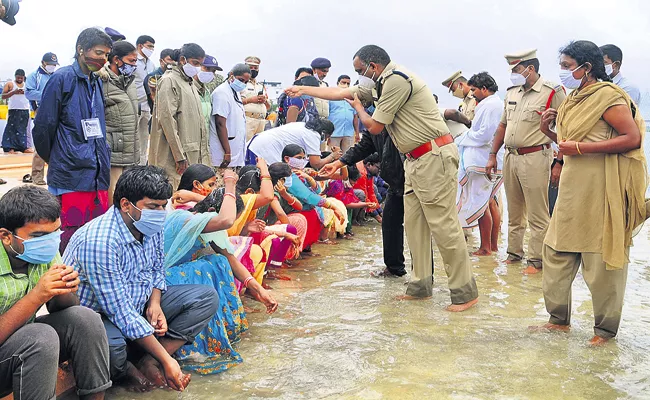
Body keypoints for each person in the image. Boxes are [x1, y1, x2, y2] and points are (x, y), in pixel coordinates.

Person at [287, 45, 478, 310]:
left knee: (443, 226)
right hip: (414, 161)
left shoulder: (397, 80)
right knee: (414, 225)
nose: (358, 77)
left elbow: (374, 125)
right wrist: (304, 89)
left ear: (373, 67)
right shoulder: (379, 84)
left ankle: (464, 293)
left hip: (433, 157)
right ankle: (420, 286)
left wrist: (358, 109)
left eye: (359, 70)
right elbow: (340, 92)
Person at [63, 166, 218, 392]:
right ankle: (128, 369)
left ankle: (149, 360)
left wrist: (155, 304)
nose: (161, 212)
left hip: (138, 302)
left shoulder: (150, 225)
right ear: (126, 204)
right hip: (98, 315)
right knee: (113, 352)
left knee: (205, 298)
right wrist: (168, 360)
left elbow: (156, 268)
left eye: (164, 206)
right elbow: (119, 311)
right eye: (153, 207)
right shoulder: (100, 241)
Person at [536, 40, 648, 345]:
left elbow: (633, 138)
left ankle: (604, 332)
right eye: (561, 65)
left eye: (567, 66)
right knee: (556, 251)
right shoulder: (574, 99)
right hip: (572, 187)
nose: (562, 71)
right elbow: (570, 141)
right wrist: (550, 132)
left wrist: (581, 148)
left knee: (600, 261)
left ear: (587, 68)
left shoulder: (609, 98)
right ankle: (558, 321)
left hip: (601, 189)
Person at [0, 186, 112, 400]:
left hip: (21, 346)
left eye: (55, 232)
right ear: (6, 236)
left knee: (85, 318)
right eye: (40, 235)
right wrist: (36, 297)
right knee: (40, 336)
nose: (50, 242)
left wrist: (65, 288)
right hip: (13, 351)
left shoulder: (43, 252)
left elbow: (62, 307)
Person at [165, 174, 278, 374]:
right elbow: (225, 227)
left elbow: (230, 257)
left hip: (169, 282)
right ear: (211, 212)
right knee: (215, 264)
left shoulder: (193, 214)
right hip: (165, 281)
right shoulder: (192, 219)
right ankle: (198, 344)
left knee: (218, 260)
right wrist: (230, 184)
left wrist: (259, 290)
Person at [485, 49, 566, 275]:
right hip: (511, 156)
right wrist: (492, 155)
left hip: (536, 157)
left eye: (517, 69)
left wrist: (559, 161)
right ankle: (514, 253)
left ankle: (536, 260)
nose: (513, 74)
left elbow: (567, 127)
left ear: (530, 69)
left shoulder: (552, 92)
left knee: (538, 213)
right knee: (515, 209)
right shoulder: (512, 93)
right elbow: (502, 126)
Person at [33, 27, 113, 253]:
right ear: (81, 50)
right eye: (98, 53)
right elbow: (43, 127)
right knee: (70, 239)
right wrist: (59, 156)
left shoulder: (95, 81)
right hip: (71, 176)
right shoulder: (62, 78)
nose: (103, 59)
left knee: (94, 236)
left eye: (106, 55)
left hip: (97, 174)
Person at [322, 126, 407, 277]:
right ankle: (395, 268)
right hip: (396, 181)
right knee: (390, 222)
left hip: (415, 176)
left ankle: (422, 275)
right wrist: (337, 163)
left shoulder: (402, 119)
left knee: (419, 227)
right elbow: (363, 146)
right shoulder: (375, 126)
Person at [455, 72, 504, 256]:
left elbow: (484, 134)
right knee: (490, 202)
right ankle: (492, 246)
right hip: (489, 158)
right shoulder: (492, 104)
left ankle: (485, 247)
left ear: (484, 89)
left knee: (483, 203)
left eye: (474, 90)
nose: (473, 93)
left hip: (484, 159)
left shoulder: (490, 105)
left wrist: (462, 138)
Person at [150, 43, 210, 189]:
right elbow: (167, 120)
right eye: (195, 63)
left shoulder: (190, 84)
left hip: (191, 154)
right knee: (173, 196)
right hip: (174, 156)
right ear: (183, 60)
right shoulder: (169, 80)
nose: (197, 67)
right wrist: (179, 156)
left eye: (200, 64)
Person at [98, 41, 140, 199]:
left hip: (131, 148)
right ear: (116, 59)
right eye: (131, 61)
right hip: (114, 151)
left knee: (128, 196)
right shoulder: (102, 81)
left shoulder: (130, 82)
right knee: (113, 196)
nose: (134, 65)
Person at [25, 52, 60, 185]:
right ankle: (37, 177)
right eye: (50, 64)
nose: (52, 66)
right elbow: (28, 92)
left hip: (57, 111)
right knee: (41, 144)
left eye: (54, 65)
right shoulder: (35, 76)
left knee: (57, 144)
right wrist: (48, 94)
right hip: (41, 111)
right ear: (43, 63)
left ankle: (54, 175)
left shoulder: (57, 75)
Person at [246, 117, 338, 168]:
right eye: (327, 137)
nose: (325, 140)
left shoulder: (304, 126)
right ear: (324, 133)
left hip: (259, 143)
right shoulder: (313, 135)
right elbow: (316, 163)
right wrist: (332, 156)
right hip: (263, 150)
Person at [210, 63, 251, 170]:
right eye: (241, 80)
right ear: (231, 75)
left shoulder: (235, 92)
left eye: (246, 82)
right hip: (224, 154)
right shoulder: (221, 93)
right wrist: (227, 152)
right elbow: (220, 123)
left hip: (235, 152)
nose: (243, 84)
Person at [134, 35, 156, 165]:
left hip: (146, 106)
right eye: (150, 46)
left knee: (143, 140)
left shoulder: (151, 64)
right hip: (134, 106)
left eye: (153, 47)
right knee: (132, 140)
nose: (152, 49)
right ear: (140, 46)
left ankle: (142, 166)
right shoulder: (133, 61)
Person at [242, 56, 271, 141]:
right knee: (246, 147)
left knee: (258, 148)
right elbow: (235, 102)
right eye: (250, 67)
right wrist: (250, 100)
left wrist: (264, 101)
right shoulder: (241, 84)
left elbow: (268, 107)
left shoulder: (260, 85)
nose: (253, 69)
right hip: (247, 120)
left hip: (261, 121)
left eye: (256, 68)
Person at [2, 69, 30, 154]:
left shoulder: (27, 84)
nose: (20, 79)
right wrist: (14, 92)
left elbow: (31, 94)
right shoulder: (10, 84)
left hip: (25, 109)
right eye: (18, 78)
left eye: (21, 78)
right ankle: (9, 147)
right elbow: (3, 96)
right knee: (11, 129)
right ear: (15, 76)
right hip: (13, 109)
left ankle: (22, 147)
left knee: (22, 129)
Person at [328, 75, 359, 153]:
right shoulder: (331, 97)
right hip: (334, 133)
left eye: (348, 83)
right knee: (333, 156)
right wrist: (327, 134)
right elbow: (326, 115)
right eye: (343, 82)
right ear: (338, 83)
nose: (346, 85)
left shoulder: (352, 98)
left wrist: (357, 133)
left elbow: (355, 117)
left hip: (349, 133)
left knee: (348, 157)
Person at [194, 54, 222, 134]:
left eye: (213, 71)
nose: (210, 73)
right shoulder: (188, 89)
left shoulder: (207, 92)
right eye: (207, 68)